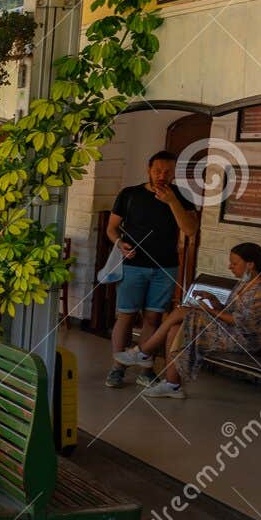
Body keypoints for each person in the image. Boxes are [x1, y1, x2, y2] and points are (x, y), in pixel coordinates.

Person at [115, 242, 261, 398]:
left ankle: (144, 352)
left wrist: (209, 311)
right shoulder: (244, 283)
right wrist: (213, 301)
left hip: (243, 340)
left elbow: (243, 322)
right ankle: (172, 385)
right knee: (176, 328)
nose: (229, 267)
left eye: (234, 263)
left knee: (181, 313)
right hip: (229, 330)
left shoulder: (260, 290)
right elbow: (233, 311)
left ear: (250, 264)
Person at [105, 151, 199, 388]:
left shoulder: (183, 196)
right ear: (148, 169)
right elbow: (112, 228)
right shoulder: (130, 194)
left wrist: (172, 202)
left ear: (174, 173)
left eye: (168, 171)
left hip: (165, 267)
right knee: (125, 315)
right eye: (158, 170)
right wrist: (119, 243)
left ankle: (145, 369)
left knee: (153, 317)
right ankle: (117, 367)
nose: (162, 175)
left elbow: (189, 230)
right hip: (133, 265)